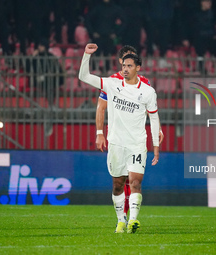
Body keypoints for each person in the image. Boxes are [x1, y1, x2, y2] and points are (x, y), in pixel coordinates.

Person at [79, 43, 160, 234]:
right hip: (116, 142)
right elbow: (83, 77)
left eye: (130, 65)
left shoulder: (148, 90)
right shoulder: (111, 84)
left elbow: (154, 116)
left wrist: (155, 144)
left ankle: (133, 220)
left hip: (138, 143)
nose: (125, 69)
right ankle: (121, 220)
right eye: (124, 65)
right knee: (117, 184)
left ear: (138, 67)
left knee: (135, 182)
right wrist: (86, 55)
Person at [26, 38, 64, 136]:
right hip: (37, 80)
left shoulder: (51, 57)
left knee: (49, 85)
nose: (40, 48)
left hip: (49, 79)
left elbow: (57, 69)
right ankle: (32, 107)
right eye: (39, 46)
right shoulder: (35, 57)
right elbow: (27, 69)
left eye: (41, 46)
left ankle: (51, 105)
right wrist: (32, 58)